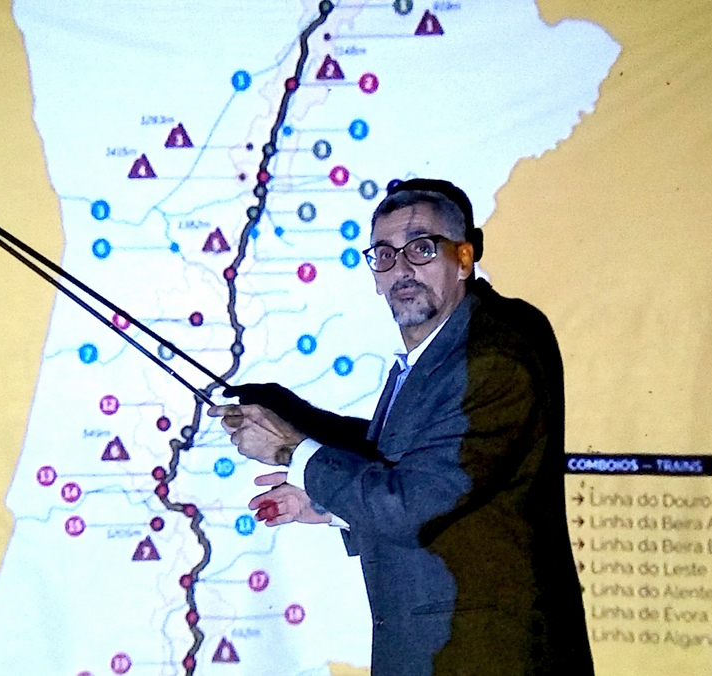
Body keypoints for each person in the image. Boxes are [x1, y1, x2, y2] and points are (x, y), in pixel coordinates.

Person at [208, 179, 593, 676]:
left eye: (421, 248)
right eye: (385, 255)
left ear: (464, 258)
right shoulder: (439, 354)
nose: (402, 269)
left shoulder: (494, 358)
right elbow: (410, 463)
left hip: (486, 658)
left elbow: (408, 505)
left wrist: (291, 450)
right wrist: (325, 500)